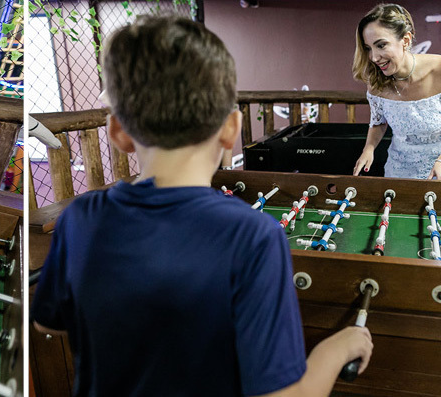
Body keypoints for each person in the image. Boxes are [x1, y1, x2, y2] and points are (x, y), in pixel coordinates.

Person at [31, 14, 373, 396]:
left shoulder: (81, 217)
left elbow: (49, 324)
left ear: (118, 134)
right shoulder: (255, 236)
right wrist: (338, 347)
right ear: (231, 129)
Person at [351, 3, 441, 180]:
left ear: (406, 40)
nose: (373, 57)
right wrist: (369, 149)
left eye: (381, 45)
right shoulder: (375, 82)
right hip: (399, 169)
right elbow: (379, 122)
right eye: (368, 48)